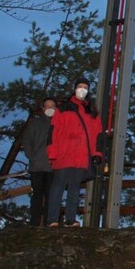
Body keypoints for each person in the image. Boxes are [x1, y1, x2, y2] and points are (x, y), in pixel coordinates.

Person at [47, 78, 104, 228]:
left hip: (81, 154)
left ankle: (70, 219)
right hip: (64, 152)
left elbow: (96, 134)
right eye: (80, 86)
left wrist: (96, 153)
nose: (82, 89)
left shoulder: (91, 111)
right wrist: (52, 151)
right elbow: (54, 130)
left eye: (85, 87)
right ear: (74, 88)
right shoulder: (63, 107)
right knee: (58, 184)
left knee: (75, 186)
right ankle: (52, 218)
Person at [22, 97, 57, 226]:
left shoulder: (59, 123)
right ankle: (34, 222)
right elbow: (26, 141)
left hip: (53, 166)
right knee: (36, 195)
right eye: (47, 106)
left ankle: (50, 221)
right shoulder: (35, 123)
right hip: (37, 166)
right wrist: (32, 157)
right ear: (43, 108)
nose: (50, 109)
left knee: (51, 196)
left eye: (52, 106)